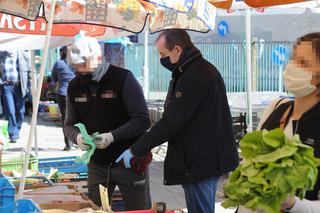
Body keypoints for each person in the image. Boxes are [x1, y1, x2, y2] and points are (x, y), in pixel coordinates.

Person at [117, 29, 239, 213]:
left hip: (200, 160)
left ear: (177, 50)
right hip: (204, 157)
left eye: (163, 54)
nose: (161, 59)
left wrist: (136, 149)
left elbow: (171, 122)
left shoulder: (193, 76)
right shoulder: (193, 69)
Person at [64, 35, 151, 210]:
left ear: (97, 58)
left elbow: (142, 120)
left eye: (83, 65)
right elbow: (68, 124)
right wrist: (78, 137)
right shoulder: (74, 87)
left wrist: (112, 136)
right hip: (97, 165)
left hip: (129, 162)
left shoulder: (123, 79)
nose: (80, 71)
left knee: (139, 209)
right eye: (75, 67)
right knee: (94, 209)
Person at [239, 33, 320, 213]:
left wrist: (292, 204)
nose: (292, 67)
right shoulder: (277, 106)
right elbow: (249, 162)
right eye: (293, 59)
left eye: (303, 63)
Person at [0, 50, 31, 143]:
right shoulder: (1, 55)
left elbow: (29, 72)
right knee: (10, 110)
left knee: (21, 111)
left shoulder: (23, 55)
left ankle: (16, 130)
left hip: (19, 86)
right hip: (6, 86)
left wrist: (31, 87)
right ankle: (12, 134)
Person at [51, 46, 75, 151]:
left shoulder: (58, 64)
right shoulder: (77, 64)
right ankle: (78, 141)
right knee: (79, 118)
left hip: (63, 93)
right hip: (77, 94)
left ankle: (68, 144)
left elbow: (53, 80)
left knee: (66, 119)